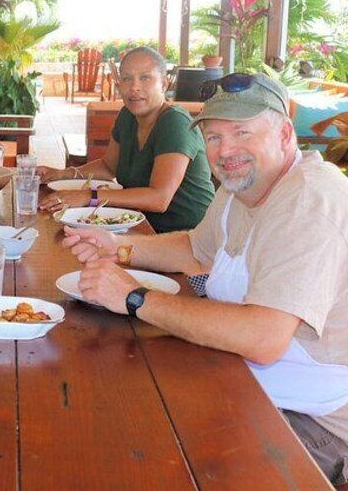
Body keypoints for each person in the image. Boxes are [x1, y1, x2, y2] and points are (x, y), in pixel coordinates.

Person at [63, 73, 348, 485]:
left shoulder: (309, 203)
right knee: (110, 409)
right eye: (213, 137)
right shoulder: (241, 188)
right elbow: (196, 248)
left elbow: (263, 339)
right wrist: (117, 246)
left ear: (285, 133)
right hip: (241, 380)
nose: (225, 150)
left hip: (312, 421)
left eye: (241, 132)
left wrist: (135, 297)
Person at [38, 47, 215, 233]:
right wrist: (61, 174)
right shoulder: (128, 116)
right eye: (126, 79)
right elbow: (108, 167)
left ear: (164, 84)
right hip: (137, 224)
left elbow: (159, 198)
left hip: (189, 235)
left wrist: (89, 196)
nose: (134, 87)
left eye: (145, 78)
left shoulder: (174, 123)